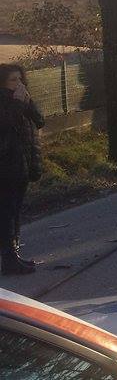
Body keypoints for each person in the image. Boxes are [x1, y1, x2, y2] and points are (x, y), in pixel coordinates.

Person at [0, 64, 43, 275]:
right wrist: (18, 104)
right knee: (6, 213)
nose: (18, 85)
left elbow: (39, 121)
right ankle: (8, 259)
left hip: (23, 165)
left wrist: (28, 103)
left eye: (20, 80)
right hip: (6, 167)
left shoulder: (22, 100)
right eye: (13, 81)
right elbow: (5, 126)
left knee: (15, 212)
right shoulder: (5, 102)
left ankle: (14, 254)